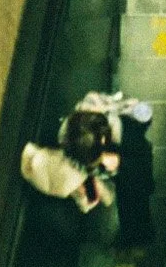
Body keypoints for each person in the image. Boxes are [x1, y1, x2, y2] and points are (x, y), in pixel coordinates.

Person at [20, 90, 155, 249]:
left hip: (129, 148)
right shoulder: (72, 137)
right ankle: (136, 239)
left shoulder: (127, 135)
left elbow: (142, 165)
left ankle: (139, 238)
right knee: (131, 193)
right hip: (122, 151)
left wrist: (120, 162)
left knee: (135, 193)